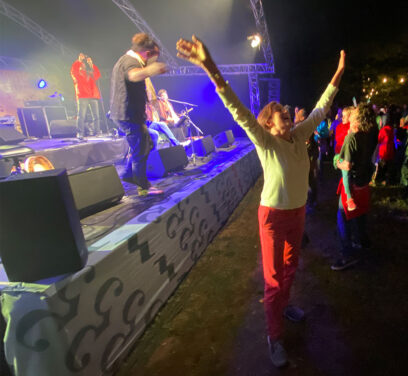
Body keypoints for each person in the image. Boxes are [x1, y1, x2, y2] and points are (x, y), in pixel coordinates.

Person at [176, 35, 345, 367]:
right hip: (272, 217)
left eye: (286, 112)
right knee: (273, 277)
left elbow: (323, 105)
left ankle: (284, 307)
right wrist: (209, 65)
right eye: (280, 113)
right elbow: (236, 109)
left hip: (296, 214)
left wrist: (339, 72)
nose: (286, 114)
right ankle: (274, 336)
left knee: (291, 268)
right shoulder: (266, 143)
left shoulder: (300, 135)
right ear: (268, 123)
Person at [110, 33, 168, 196]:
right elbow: (133, 75)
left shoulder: (126, 59)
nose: (154, 62)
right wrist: (152, 69)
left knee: (147, 142)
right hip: (127, 114)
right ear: (148, 54)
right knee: (141, 147)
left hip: (127, 113)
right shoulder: (131, 62)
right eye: (154, 59)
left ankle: (129, 175)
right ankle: (143, 186)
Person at [332, 104, 377, 270]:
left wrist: (336, 161)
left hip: (351, 184)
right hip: (364, 182)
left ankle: (346, 255)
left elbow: (346, 165)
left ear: (358, 118)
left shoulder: (353, 137)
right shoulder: (372, 132)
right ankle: (363, 241)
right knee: (361, 213)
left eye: (354, 112)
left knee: (342, 218)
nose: (350, 114)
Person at [71, 53, 101, 138]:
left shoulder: (90, 73)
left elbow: (97, 74)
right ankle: (80, 133)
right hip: (83, 96)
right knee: (81, 115)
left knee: (96, 116)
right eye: (83, 63)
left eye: (84, 63)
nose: (84, 64)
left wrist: (91, 64)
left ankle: (97, 132)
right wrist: (79, 61)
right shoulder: (77, 74)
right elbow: (73, 70)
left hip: (93, 96)